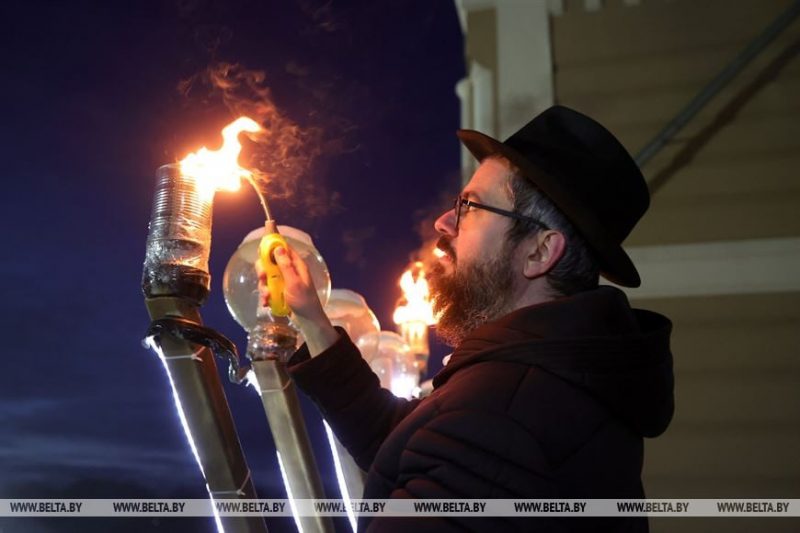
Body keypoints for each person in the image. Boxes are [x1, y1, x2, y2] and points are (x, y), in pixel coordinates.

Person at [261, 105, 674, 532]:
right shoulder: (548, 380)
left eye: (471, 207)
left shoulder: (506, 413)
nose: (443, 222)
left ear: (539, 251)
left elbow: (462, 449)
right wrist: (313, 319)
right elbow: (403, 443)